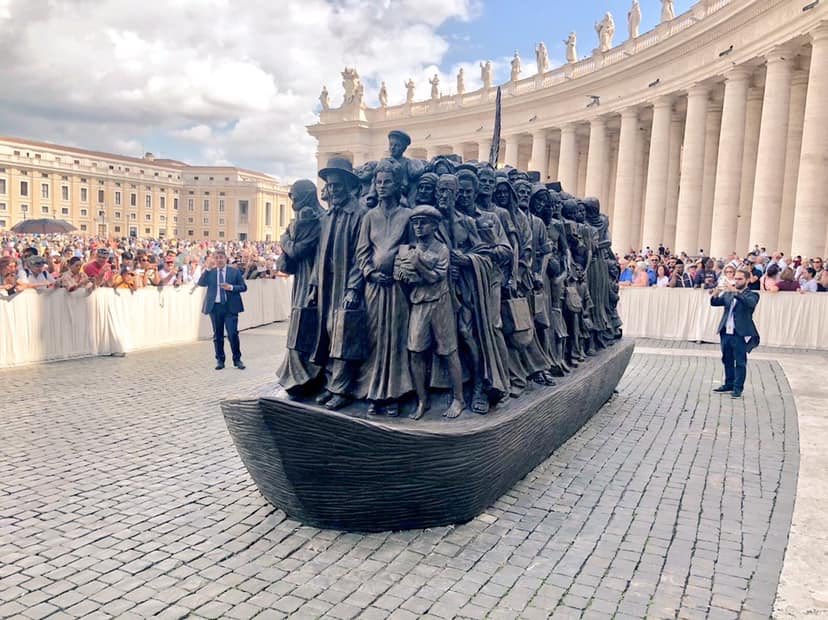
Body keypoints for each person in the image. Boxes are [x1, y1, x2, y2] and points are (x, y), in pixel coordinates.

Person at [395, 205, 466, 420]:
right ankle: (422, 400)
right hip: (419, 304)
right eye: (415, 223)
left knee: (448, 351)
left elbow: (436, 277)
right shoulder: (408, 249)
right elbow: (400, 273)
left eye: (423, 223)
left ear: (434, 226)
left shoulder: (441, 249)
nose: (418, 227)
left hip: (440, 304)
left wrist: (417, 265)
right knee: (416, 351)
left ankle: (459, 399)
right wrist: (405, 274)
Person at [710, 268, 760, 398]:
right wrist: (716, 293)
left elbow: (750, 304)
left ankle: (738, 388)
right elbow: (715, 303)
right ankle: (729, 384)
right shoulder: (729, 293)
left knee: (740, 361)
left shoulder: (752, 295)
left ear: (747, 280)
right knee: (727, 359)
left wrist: (735, 292)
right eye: (735, 278)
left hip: (740, 332)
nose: (736, 281)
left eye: (740, 279)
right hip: (726, 331)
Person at [197, 249, 247, 370]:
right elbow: (201, 283)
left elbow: (243, 287)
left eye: (221, 258)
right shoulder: (211, 272)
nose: (219, 260)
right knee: (218, 335)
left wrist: (231, 287)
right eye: (217, 258)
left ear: (226, 259)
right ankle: (220, 360)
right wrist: (207, 269)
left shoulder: (234, 272)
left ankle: (237, 359)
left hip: (230, 307)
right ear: (214, 260)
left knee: (232, 334)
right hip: (215, 307)